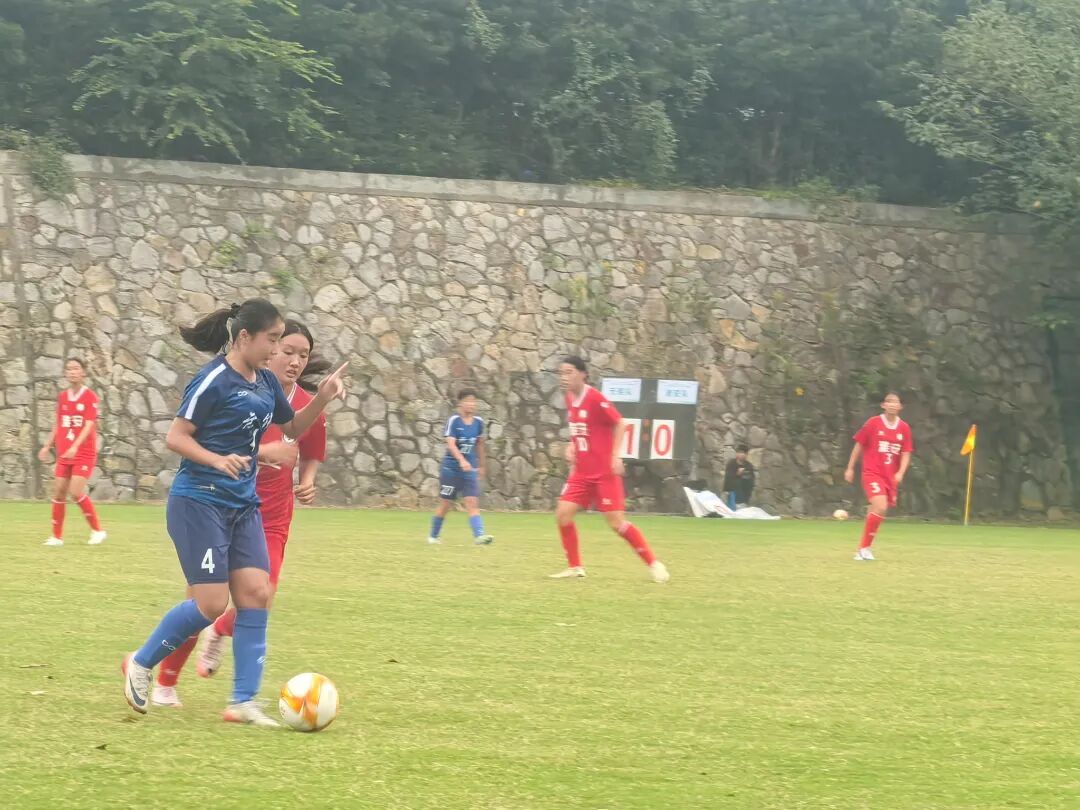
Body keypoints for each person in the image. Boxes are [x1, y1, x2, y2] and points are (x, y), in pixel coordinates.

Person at [121, 299, 347, 727]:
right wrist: (218, 459)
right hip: (199, 502)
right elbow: (176, 437)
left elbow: (293, 427)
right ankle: (141, 662)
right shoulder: (213, 380)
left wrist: (323, 397)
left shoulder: (265, 381)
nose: (277, 350)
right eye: (272, 340)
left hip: (243, 506)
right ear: (245, 337)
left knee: (256, 593)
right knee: (210, 603)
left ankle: (244, 701)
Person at [548, 356, 669, 583]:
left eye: (569, 372)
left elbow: (621, 423)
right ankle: (575, 567)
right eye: (561, 373)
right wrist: (572, 445)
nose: (564, 377)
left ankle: (654, 563)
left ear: (583, 374)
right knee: (563, 514)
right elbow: (580, 429)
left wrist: (615, 455)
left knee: (616, 523)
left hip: (603, 473)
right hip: (582, 472)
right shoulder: (570, 398)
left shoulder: (594, 398)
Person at [38, 358, 107, 547]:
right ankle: (56, 537)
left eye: (76, 368)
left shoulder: (90, 396)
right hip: (64, 453)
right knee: (59, 492)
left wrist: (75, 446)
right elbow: (58, 423)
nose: (72, 372)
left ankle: (98, 531)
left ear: (83, 372)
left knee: (75, 493)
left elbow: (89, 425)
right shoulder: (63, 397)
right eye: (69, 369)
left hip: (83, 452)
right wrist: (47, 445)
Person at [844, 392, 914, 561]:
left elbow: (906, 452)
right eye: (889, 401)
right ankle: (863, 549)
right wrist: (850, 468)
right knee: (880, 506)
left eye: (895, 402)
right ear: (883, 405)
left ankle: (864, 549)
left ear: (900, 407)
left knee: (877, 510)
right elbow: (859, 445)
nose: (892, 404)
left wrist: (900, 472)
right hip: (872, 473)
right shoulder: (873, 423)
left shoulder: (904, 428)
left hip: (890, 477)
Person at [427, 389, 494, 546]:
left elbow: (480, 445)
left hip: (469, 470)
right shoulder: (454, 421)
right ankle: (433, 536)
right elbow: (450, 444)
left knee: (472, 501)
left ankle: (479, 536)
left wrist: (482, 465)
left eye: (474, 401)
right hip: (451, 470)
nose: (471, 404)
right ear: (460, 403)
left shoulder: (478, 422)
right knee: (446, 504)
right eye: (468, 401)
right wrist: (461, 460)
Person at [722, 444, 756, 510]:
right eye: (740, 452)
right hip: (733, 494)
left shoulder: (749, 466)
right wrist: (737, 474)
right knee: (732, 512)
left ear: (746, 455)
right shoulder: (731, 464)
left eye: (744, 453)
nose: (742, 454)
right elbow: (728, 478)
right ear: (737, 453)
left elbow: (752, 479)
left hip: (744, 495)